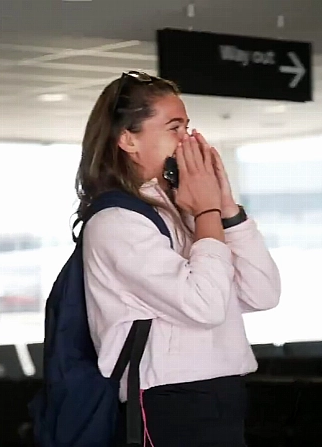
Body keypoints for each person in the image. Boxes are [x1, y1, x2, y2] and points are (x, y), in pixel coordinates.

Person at [76, 70, 281, 446]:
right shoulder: (116, 222)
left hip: (223, 391)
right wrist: (205, 214)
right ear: (127, 139)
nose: (187, 139)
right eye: (174, 127)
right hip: (168, 398)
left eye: (187, 125)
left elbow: (262, 293)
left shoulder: (182, 208)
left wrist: (224, 207)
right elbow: (204, 306)